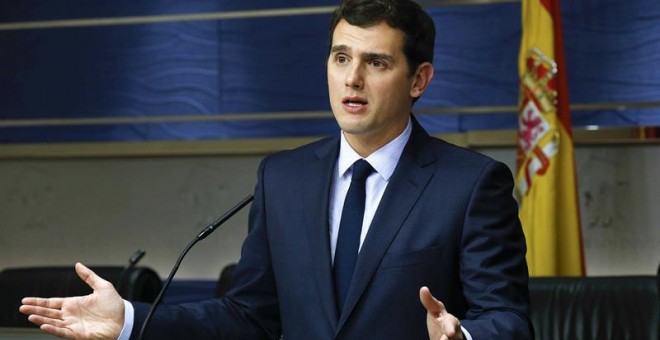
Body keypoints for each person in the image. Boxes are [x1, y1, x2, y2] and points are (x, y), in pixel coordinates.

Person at [20, 0, 533, 339]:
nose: (352, 78)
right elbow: (249, 315)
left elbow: (509, 319)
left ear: (418, 79)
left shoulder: (469, 184)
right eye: (340, 58)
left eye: (376, 63)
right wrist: (130, 320)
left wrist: (462, 335)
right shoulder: (283, 178)